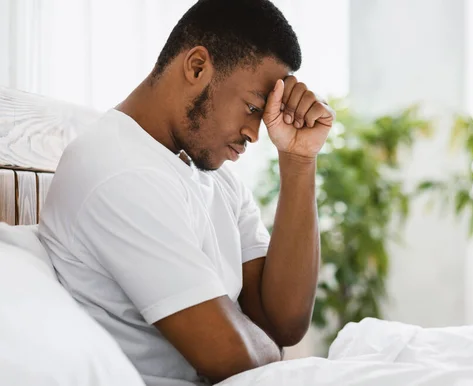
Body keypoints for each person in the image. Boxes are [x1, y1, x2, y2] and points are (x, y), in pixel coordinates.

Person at [38, 0, 334, 385]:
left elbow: (285, 324)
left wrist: (298, 160)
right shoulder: (117, 169)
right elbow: (234, 359)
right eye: (251, 107)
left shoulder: (214, 176)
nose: (254, 133)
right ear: (197, 67)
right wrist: (267, 347)